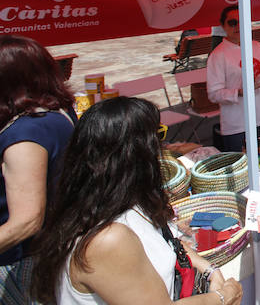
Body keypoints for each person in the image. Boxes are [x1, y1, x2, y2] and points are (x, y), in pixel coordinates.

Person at [30, 97, 242, 305]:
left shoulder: (128, 203)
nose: (164, 146)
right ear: (136, 153)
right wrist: (223, 297)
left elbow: (172, 244)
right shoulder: (107, 239)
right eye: (158, 136)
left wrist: (209, 270)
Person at [0, 36, 76, 302]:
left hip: (23, 261)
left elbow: (26, 220)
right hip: (52, 249)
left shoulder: (26, 133)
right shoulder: (56, 112)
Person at [207, 5, 260, 152]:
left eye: (242, 21)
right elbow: (214, 94)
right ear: (223, 25)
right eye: (232, 23)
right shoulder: (218, 55)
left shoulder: (256, 46)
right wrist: (240, 92)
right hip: (236, 122)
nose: (238, 26)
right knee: (241, 165)